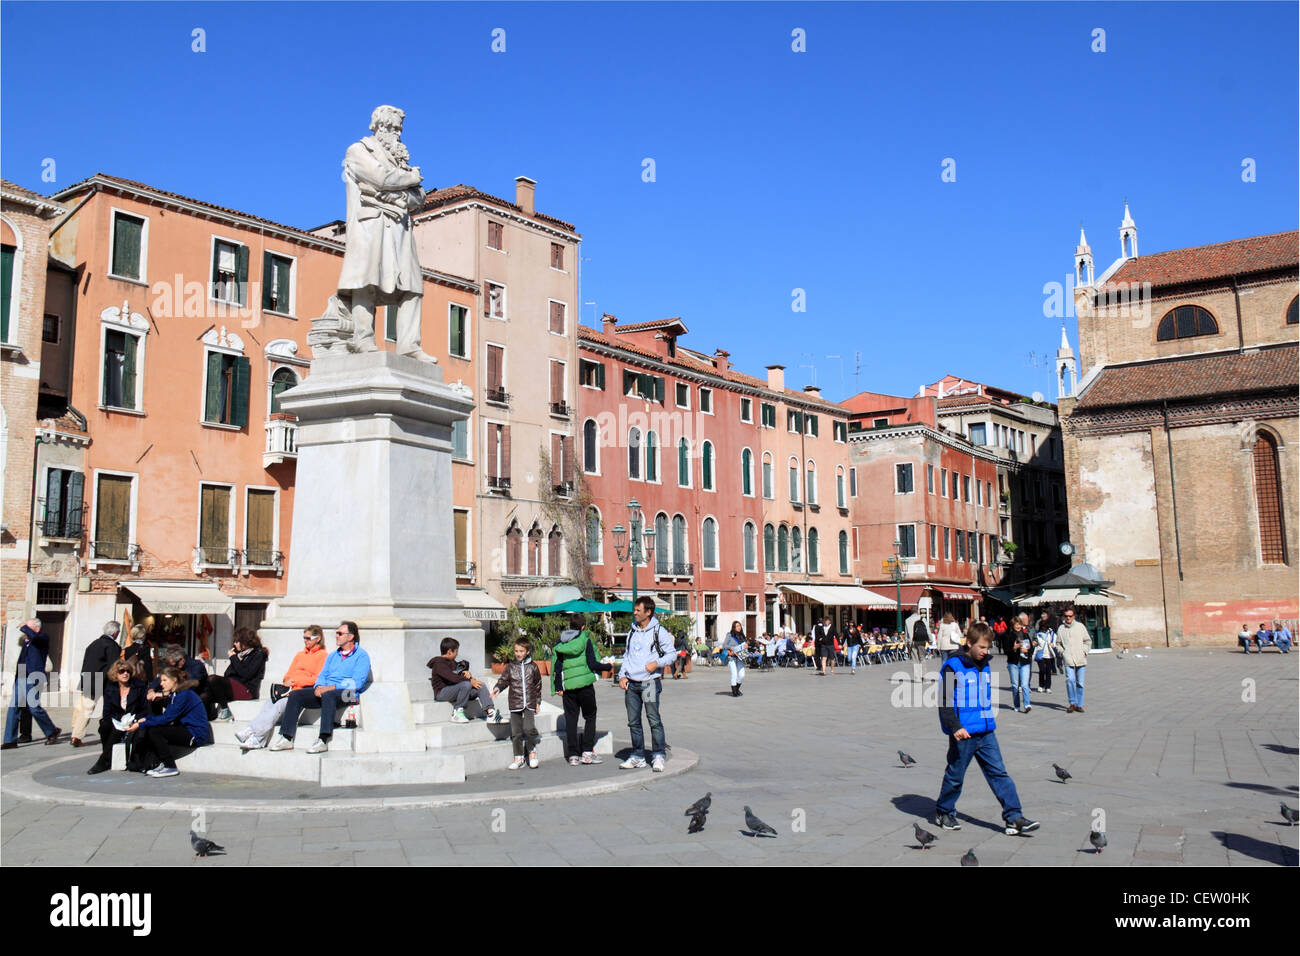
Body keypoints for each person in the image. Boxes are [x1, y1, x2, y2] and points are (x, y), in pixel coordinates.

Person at [336, 104, 433, 361]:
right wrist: (410, 178)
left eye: (398, 129)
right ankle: (363, 338)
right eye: (391, 128)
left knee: (412, 285)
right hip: (370, 227)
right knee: (365, 281)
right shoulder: (358, 150)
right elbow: (381, 178)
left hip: (399, 229)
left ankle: (409, 345)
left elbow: (419, 197)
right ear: (378, 127)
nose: (396, 134)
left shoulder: (400, 160)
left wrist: (397, 194)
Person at [934, 622, 1039, 835]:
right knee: (955, 775)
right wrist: (955, 727)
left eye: (988, 647)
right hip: (964, 732)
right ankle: (944, 811)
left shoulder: (985, 664)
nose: (985, 651)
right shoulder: (953, 666)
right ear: (969, 643)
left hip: (986, 729)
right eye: (981, 647)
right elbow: (944, 699)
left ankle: (1014, 817)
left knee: (999, 773)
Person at [269, 621, 372, 753]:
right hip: (326, 691)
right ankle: (286, 737)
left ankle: (323, 739)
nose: (336, 636)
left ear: (350, 637)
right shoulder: (333, 656)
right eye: (336, 633)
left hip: (349, 694)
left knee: (329, 695)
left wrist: (331, 688)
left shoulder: (361, 656)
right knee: (296, 695)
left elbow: (357, 683)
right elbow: (322, 675)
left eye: (340, 633)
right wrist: (318, 686)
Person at [236, 626, 329, 750]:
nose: (305, 640)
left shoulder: (323, 656)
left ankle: (253, 733)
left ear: (318, 639)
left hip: (301, 691)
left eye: (308, 638)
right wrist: (286, 680)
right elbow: (288, 674)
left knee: (279, 706)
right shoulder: (300, 655)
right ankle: (257, 738)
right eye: (304, 638)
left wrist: (295, 681)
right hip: (289, 689)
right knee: (269, 704)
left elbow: (318, 678)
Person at [618, 595, 675, 772]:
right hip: (632, 684)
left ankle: (658, 755)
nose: (634, 613)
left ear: (648, 612)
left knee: (653, 720)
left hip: (650, 682)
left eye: (638, 610)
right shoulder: (632, 631)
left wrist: (656, 663)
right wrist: (622, 675)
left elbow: (672, 654)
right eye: (634, 610)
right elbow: (627, 656)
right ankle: (638, 756)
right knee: (633, 722)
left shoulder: (659, 631)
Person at [125, 666, 212, 777]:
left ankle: (170, 766)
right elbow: (166, 717)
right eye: (161, 680)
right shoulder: (175, 695)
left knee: (154, 731)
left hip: (195, 734)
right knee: (152, 728)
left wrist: (142, 723)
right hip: (186, 729)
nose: (161, 684)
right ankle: (157, 763)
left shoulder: (184, 695)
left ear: (175, 680)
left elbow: (167, 719)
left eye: (165, 680)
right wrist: (146, 720)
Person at [552, 613, 607, 765]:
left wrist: (557, 686)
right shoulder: (586, 640)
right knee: (590, 716)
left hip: (568, 688)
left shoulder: (561, 642)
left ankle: (573, 755)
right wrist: (608, 666)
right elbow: (592, 664)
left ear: (570, 626)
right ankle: (587, 752)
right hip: (585, 686)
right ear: (583, 627)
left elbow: (557, 666)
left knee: (571, 719)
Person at [2, 619, 61, 749]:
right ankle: (10, 740)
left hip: (34, 677)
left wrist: (24, 627)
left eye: (28, 627)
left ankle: (51, 731)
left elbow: (35, 637)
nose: (25, 630)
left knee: (34, 708)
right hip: (22, 677)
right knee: (13, 708)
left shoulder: (43, 638)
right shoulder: (26, 641)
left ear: (37, 628)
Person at [87, 660, 149, 774]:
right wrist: (121, 719)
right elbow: (107, 712)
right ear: (115, 673)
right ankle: (107, 758)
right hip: (117, 720)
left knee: (116, 730)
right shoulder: (110, 689)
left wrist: (132, 719)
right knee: (105, 725)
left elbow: (145, 709)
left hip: (134, 720)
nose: (125, 674)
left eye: (128, 671)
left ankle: (103, 761)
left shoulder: (139, 687)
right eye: (122, 671)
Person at [492, 637, 543, 769]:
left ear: (527, 651)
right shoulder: (511, 667)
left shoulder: (533, 667)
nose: (518, 653)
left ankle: (531, 751)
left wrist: (537, 702)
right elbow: (504, 680)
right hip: (515, 703)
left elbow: (537, 685)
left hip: (529, 703)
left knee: (529, 728)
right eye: (516, 651)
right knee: (516, 732)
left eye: (521, 651)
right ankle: (518, 757)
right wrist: (497, 688)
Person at [70, 620, 122, 747]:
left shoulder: (94, 643)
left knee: (82, 706)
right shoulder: (112, 646)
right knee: (87, 708)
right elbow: (113, 666)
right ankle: (77, 736)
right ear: (115, 633)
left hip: (88, 677)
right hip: (101, 679)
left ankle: (75, 731)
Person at [428, 637, 497, 723]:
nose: (457, 654)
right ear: (449, 651)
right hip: (442, 693)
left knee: (480, 685)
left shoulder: (452, 662)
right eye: (456, 651)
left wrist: (469, 676)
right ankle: (456, 712)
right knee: (466, 684)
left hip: (456, 691)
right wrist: (470, 681)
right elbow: (452, 677)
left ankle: (491, 713)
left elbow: (460, 675)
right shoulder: (438, 664)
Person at [1056, 606, 1092, 714]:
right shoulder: (1061, 628)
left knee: (1080, 683)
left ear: (1074, 616)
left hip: (1080, 658)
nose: (1068, 618)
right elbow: (1058, 643)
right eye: (1066, 616)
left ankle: (1079, 704)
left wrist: (1084, 651)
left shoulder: (1080, 627)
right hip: (1068, 659)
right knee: (1070, 680)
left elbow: (1087, 641)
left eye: (1070, 616)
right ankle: (1072, 703)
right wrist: (1062, 652)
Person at [1007, 618, 1034, 713]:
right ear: (1013, 625)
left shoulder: (1025, 635)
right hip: (1013, 663)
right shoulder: (1009, 636)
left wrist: (1028, 651)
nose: (1018, 626)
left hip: (1025, 662)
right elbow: (1006, 651)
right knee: (1015, 686)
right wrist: (1014, 648)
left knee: (1024, 685)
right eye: (1016, 624)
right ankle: (1017, 705)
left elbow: (1032, 649)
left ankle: (1027, 704)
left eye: (1019, 624)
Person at [722, 621, 747, 696]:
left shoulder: (742, 636)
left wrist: (746, 646)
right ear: (734, 627)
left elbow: (744, 646)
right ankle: (734, 692)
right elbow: (724, 645)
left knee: (742, 675)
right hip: (731, 657)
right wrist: (730, 647)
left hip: (740, 658)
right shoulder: (729, 635)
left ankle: (737, 688)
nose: (739, 627)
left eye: (739, 626)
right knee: (734, 674)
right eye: (737, 626)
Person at [1033, 624, 1057, 693]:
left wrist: (1053, 644)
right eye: (1042, 629)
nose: (1044, 630)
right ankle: (1041, 685)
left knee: (1048, 671)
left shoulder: (1051, 634)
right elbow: (1035, 643)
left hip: (1049, 655)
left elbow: (1055, 641)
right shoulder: (1037, 634)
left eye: (1045, 629)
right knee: (1042, 670)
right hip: (1040, 655)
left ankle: (1048, 687)